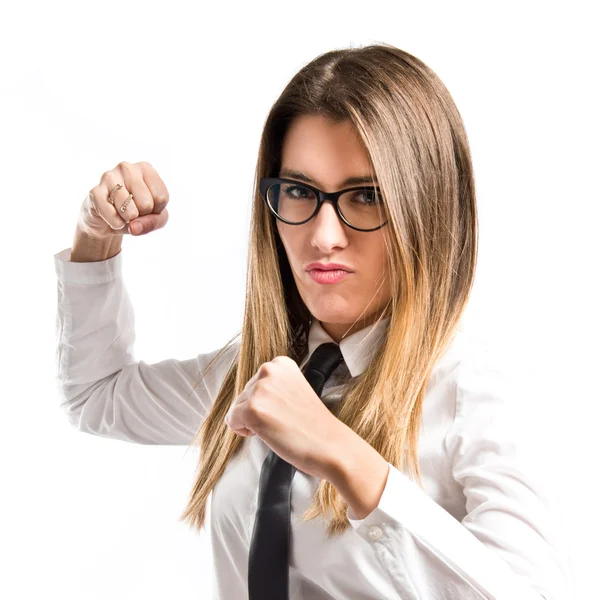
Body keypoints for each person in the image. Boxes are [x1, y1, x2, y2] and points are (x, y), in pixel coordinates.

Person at [54, 42, 572, 599]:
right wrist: (95, 236)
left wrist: (349, 461)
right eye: (300, 191)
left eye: (367, 196)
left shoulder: (480, 393)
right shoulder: (262, 377)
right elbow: (96, 397)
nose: (323, 237)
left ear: (427, 208)